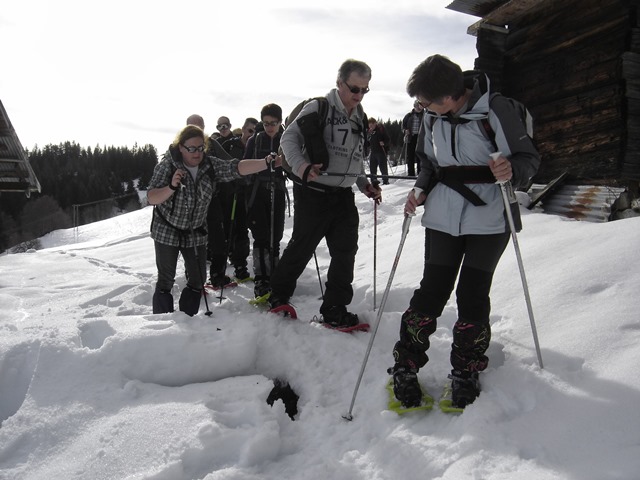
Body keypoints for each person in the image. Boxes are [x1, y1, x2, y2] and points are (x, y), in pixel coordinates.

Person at [388, 54, 540, 409]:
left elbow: (529, 159)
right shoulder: (431, 116)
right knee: (431, 292)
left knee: (472, 294)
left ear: (449, 97)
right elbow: (429, 161)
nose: (421, 108)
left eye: (426, 102)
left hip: (489, 218)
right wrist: (420, 189)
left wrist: (510, 169)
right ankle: (405, 365)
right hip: (442, 215)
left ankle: (466, 371)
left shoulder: (495, 110)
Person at [268, 59, 382, 327]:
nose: (358, 95)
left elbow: (354, 159)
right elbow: (289, 139)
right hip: (314, 193)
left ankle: (335, 307)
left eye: (365, 90)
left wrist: (364, 183)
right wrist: (302, 166)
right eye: (354, 88)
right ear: (340, 82)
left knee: (345, 251)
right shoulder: (319, 107)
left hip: (343, 196)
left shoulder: (360, 116)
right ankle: (278, 296)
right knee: (303, 246)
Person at [147, 124, 281, 316]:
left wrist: (266, 162)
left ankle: (188, 318)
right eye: (191, 148)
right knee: (166, 280)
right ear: (181, 147)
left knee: (198, 278)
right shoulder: (167, 166)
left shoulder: (209, 165)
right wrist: (171, 187)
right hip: (167, 229)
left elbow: (236, 167)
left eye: (200, 147)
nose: (196, 153)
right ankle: (162, 323)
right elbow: (151, 197)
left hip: (196, 229)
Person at [244, 104, 286, 298]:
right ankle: (261, 277)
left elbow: (294, 164)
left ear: (280, 122)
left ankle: (275, 274)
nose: (269, 127)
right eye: (266, 123)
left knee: (275, 235)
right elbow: (245, 165)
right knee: (261, 236)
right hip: (258, 192)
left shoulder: (286, 140)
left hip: (276, 190)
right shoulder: (255, 141)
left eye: (273, 123)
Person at [209, 116, 252, 283]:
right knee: (222, 232)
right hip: (222, 196)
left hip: (239, 193)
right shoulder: (218, 144)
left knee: (240, 229)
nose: (223, 128)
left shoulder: (235, 143)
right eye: (219, 126)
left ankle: (240, 265)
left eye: (225, 125)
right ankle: (219, 269)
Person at [402, 100, 425, 177]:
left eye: (419, 106)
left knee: (420, 155)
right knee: (410, 156)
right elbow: (403, 126)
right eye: (416, 106)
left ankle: (420, 172)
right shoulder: (408, 115)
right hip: (411, 137)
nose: (418, 108)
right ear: (414, 106)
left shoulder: (425, 115)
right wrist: (405, 130)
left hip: (421, 138)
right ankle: (411, 173)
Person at [366, 117, 390, 185]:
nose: (370, 127)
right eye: (369, 125)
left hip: (381, 151)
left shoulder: (380, 130)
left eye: (372, 125)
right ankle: (373, 180)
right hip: (373, 152)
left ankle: (385, 181)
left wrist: (384, 143)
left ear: (375, 124)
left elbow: (388, 139)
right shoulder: (369, 132)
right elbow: (368, 142)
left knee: (383, 167)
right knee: (372, 167)